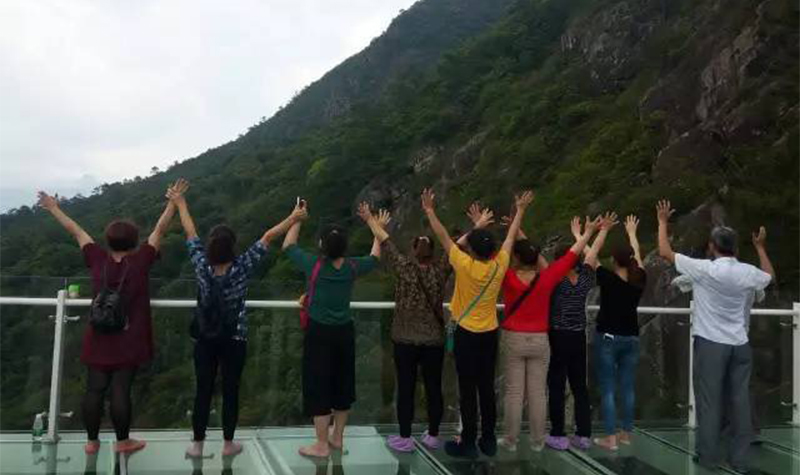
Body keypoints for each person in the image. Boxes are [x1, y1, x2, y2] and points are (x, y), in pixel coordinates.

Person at [167, 180, 307, 458]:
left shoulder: (201, 265)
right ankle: (228, 444)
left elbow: (190, 231)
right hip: (234, 338)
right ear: (232, 247)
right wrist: (294, 217)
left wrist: (180, 203)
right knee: (231, 390)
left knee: (203, 390)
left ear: (210, 247)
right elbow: (268, 237)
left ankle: (197, 445)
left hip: (204, 338)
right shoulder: (242, 267)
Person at [37, 186, 178, 455]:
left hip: (99, 334)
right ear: (135, 241)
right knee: (120, 390)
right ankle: (123, 442)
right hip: (129, 337)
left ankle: (91, 442)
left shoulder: (97, 258)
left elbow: (75, 231)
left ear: (108, 240)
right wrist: (173, 203)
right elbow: (160, 230)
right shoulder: (141, 261)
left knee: (94, 389)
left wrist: (54, 207)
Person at [656, 200, 775, 471]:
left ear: (712, 247)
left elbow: (665, 252)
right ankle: (740, 460)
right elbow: (769, 275)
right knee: (740, 401)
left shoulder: (704, 269)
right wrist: (760, 248)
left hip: (711, 344)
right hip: (740, 345)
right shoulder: (748, 273)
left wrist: (663, 221)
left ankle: (709, 458)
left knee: (710, 402)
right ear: (734, 248)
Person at [420, 187, 531, 458]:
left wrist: (430, 211)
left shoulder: (464, 264)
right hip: (489, 333)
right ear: (492, 251)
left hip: (466, 335)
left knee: (468, 390)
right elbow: (509, 239)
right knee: (486, 388)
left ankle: (468, 442)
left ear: (472, 249)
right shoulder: (499, 265)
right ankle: (489, 440)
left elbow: (445, 238)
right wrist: (520, 211)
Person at [283, 201, 382, 458]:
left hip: (319, 334)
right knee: (342, 383)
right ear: (345, 248)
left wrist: (297, 218)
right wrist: (377, 228)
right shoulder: (352, 267)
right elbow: (375, 257)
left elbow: (288, 246)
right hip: (344, 332)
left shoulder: (314, 265)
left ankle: (321, 445)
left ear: (321, 246)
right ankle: (337, 438)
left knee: (319, 385)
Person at [498, 213, 603, 453]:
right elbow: (572, 256)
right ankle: (537, 441)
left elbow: (502, 255)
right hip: (541, 340)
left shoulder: (508, 276)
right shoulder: (548, 278)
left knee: (514, 393)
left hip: (514, 337)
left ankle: (511, 440)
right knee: (537, 393)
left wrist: (515, 227)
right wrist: (587, 233)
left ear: (516, 257)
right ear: (536, 259)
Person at [357, 202, 452, 452]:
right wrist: (476, 227)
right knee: (433, 389)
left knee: (406, 388)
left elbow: (386, 241)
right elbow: (456, 247)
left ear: (413, 250)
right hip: (433, 341)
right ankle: (432, 435)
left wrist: (370, 219)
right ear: (432, 253)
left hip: (405, 340)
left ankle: (405, 437)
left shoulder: (404, 268)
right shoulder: (441, 270)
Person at [545, 213, 617, 451]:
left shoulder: (555, 279)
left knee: (556, 385)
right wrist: (602, 231)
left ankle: (558, 433)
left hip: (557, 337)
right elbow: (593, 252)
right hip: (578, 336)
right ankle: (584, 434)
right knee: (579, 386)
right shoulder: (586, 278)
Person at [593, 215, 648, 451]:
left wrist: (595, 232)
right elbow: (639, 260)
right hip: (631, 338)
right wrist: (632, 234)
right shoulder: (639, 279)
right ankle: (626, 434)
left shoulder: (607, 279)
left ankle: (610, 438)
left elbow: (590, 256)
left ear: (614, 261)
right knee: (627, 387)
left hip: (608, 338)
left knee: (607, 389)